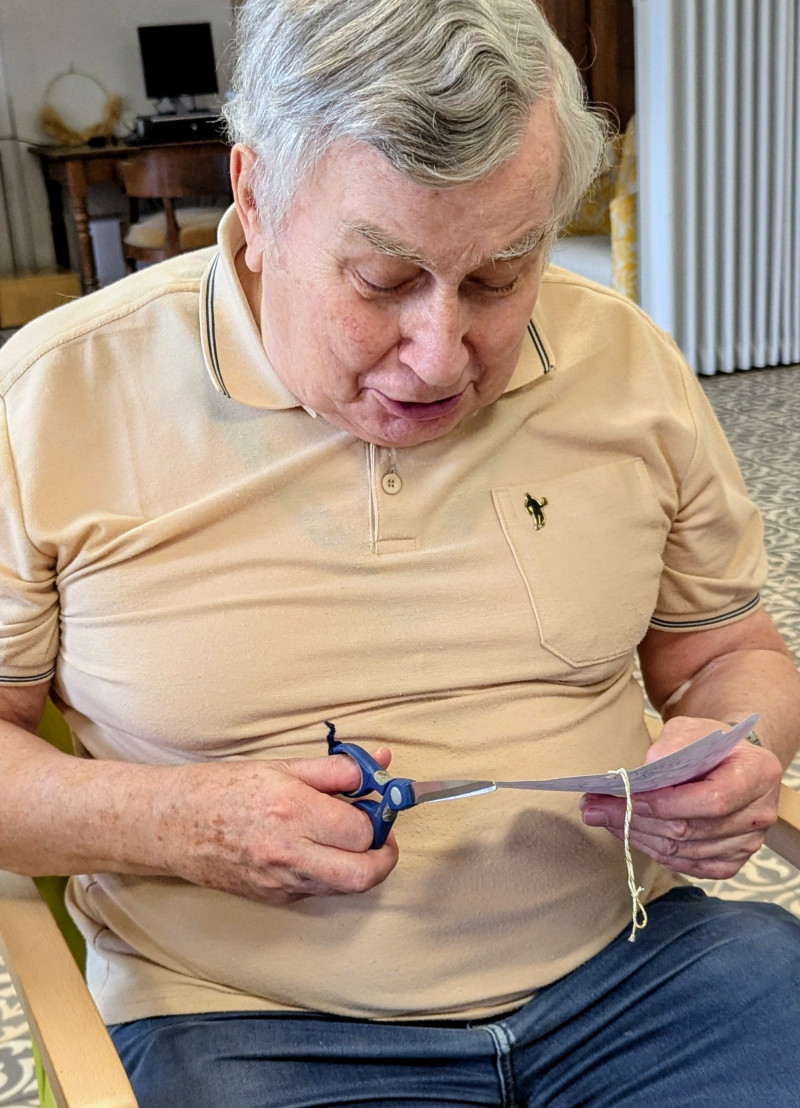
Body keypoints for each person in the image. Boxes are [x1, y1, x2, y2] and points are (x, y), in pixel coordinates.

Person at [1, 1, 799, 1104]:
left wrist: (730, 745)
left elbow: (729, 648)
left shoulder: (621, 358)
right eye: (381, 283)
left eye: (497, 278)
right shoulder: (52, 397)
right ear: (255, 201)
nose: (438, 357)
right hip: (247, 1019)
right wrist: (181, 825)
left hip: (637, 970)